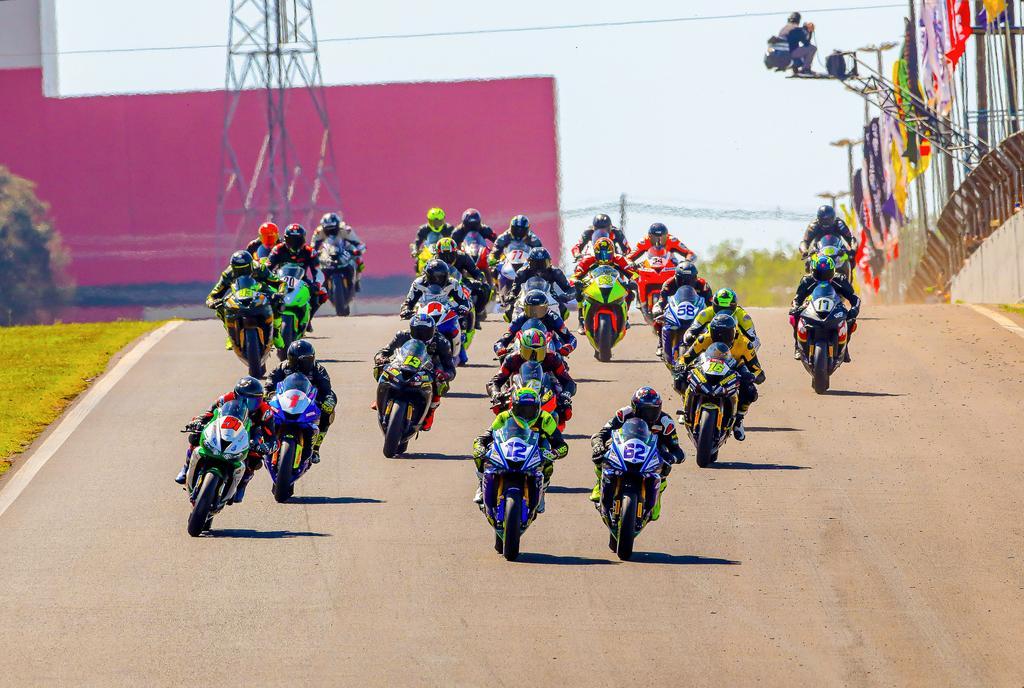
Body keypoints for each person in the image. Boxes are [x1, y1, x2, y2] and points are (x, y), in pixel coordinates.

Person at [589, 387, 686, 521]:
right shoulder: (623, 414)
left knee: (664, 470)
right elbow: (601, 434)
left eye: (653, 410)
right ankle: (599, 485)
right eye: (645, 410)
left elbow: (678, 451)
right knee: (601, 455)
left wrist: (671, 458)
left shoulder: (666, 422)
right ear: (634, 407)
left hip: (651, 456)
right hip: (625, 450)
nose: (649, 414)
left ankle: (655, 500)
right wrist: (598, 445)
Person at [175, 376, 276, 505]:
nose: (246, 405)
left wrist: (266, 447)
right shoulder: (225, 398)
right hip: (224, 427)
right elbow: (208, 413)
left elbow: (272, 438)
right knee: (195, 436)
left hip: (249, 434)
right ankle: (186, 467)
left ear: (260, 400)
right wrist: (197, 422)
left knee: (255, 459)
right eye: (243, 400)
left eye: (252, 402)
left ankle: (242, 484)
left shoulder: (265, 412)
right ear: (235, 395)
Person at [471, 387, 568, 511]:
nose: (526, 414)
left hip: (536, 448)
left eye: (530, 409)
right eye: (522, 409)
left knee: (548, 463)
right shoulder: (504, 416)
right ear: (513, 407)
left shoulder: (546, 418)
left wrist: (553, 453)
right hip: (508, 446)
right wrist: (480, 446)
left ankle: (542, 490)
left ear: (538, 408)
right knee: (480, 453)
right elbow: (485, 436)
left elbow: (562, 446)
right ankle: (481, 484)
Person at [675, 313, 764, 441]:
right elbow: (686, 357)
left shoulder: (745, 343)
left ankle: (738, 419)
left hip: (733, 369)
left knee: (750, 391)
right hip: (706, 365)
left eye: (726, 334)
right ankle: (686, 405)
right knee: (679, 378)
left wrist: (753, 376)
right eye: (717, 334)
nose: (721, 338)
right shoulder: (704, 339)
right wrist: (680, 365)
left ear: (734, 332)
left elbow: (757, 370)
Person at [373, 314, 456, 431]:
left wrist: (444, 375)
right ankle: (380, 396)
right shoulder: (402, 335)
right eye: (417, 331)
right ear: (411, 329)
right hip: (402, 363)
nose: (421, 335)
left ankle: (430, 412)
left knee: (441, 384)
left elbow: (450, 369)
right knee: (381, 367)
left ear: (433, 330)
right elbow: (384, 351)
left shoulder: (442, 342)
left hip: (429, 368)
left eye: (425, 332)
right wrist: (381, 358)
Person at [264, 339, 337, 464]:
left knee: (329, 408)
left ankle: (316, 448)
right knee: (262, 409)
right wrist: (267, 394)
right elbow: (270, 383)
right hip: (286, 402)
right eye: (297, 360)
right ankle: (264, 441)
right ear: (290, 358)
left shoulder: (318, 370)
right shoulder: (282, 367)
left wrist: (326, 399)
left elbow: (326, 389)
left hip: (308, 402)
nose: (302, 364)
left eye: (306, 360)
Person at [489, 328, 576, 423]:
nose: (533, 357)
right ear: (521, 348)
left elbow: (569, 382)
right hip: (518, 393)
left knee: (564, 411)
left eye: (539, 353)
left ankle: (556, 428)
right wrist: (495, 393)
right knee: (500, 410)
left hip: (545, 391)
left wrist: (565, 394)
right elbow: (494, 381)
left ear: (545, 349)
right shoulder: (512, 359)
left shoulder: (552, 357)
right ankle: (497, 430)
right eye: (528, 352)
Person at [206, 250, 284, 349]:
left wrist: (280, 293)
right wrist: (212, 302)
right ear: (233, 268)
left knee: (277, 301)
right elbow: (213, 295)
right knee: (221, 306)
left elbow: (279, 282)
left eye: (245, 269)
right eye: (239, 270)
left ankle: (276, 332)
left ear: (251, 265)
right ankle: (230, 334)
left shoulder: (260, 268)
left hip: (260, 291)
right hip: (237, 294)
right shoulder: (227, 274)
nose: (243, 272)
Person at [790, 255, 861, 361]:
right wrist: (796, 307)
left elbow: (854, 298)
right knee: (793, 316)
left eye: (827, 274)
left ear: (833, 271)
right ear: (812, 271)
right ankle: (797, 346)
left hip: (835, 305)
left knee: (851, 319)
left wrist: (854, 310)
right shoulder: (807, 280)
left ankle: (845, 347)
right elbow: (797, 298)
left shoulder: (840, 279)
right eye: (818, 273)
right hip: (812, 305)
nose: (823, 276)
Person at [572, 237, 638, 333]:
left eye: (607, 253)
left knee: (630, 292)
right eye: (600, 254)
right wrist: (576, 282)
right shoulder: (588, 259)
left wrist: (633, 281)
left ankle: (625, 317)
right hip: (593, 283)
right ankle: (581, 319)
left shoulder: (619, 259)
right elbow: (575, 276)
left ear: (613, 252)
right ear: (595, 252)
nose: (604, 257)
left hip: (615, 283)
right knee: (579, 290)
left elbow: (633, 274)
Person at [267, 223, 329, 320]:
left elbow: (317, 272)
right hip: (279, 281)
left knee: (322, 293)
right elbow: (267, 267)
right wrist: (265, 279)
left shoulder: (310, 251)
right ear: (285, 239)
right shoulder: (278, 249)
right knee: (264, 293)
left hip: (302, 281)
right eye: (291, 240)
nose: (294, 244)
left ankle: (308, 319)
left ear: (303, 240)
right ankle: (268, 320)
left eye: (298, 241)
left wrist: (317, 285)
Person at [494, 290, 577, 357]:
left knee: (560, 358)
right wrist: (500, 348)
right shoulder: (520, 318)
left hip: (549, 346)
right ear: (525, 308)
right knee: (505, 358)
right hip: (524, 346)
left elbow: (570, 338)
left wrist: (568, 347)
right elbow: (505, 337)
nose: (535, 313)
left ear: (546, 308)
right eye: (531, 310)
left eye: (539, 310)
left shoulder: (553, 317)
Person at [433, 236, 490, 327]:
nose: (447, 258)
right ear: (437, 253)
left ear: (455, 252)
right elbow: (425, 275)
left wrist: (480, 279)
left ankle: (477, 315)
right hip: (440, 284)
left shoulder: (463, 257)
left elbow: (475, 271)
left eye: (449, 254)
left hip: (461, 282)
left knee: (485, 288)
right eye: (443, 255)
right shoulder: (433, 261)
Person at [683, 288, 761, 350]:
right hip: (708, 347)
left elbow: (754, 339)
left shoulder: (742, 315)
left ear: (734, 305)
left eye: (727, 308)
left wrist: (747, 348)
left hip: (735, 349)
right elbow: (692, 329)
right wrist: (690, 337)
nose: (723, 311)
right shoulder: (706, 313)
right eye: (720, 307)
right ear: (714, 304)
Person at [398, 259, 473, 319]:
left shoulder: (453, 283)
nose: (437, 280)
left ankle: (464, 332)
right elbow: (409, 302)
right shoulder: (418, 283)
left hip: (446, 315)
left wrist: (463, 308)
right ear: (427, 276)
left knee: (465, 317)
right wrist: (405, 310)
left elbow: (463, 300)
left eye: (441, 277)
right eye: (434, 278)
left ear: (447, 276)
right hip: (424, 315)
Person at [504, 246, 573, 310]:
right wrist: (511, 296)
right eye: (536, 264)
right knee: (509, 311)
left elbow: (569, 289)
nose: (540, 267)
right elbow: (515, 289)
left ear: (549, 262)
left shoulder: (555, 272)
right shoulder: (522, 272)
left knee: (563, 310)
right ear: (529, 263)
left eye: (544, 263)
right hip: (526, 297)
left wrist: (566, 296)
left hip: (549, 297)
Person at [313, 212, 366, 291]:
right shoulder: (319, 232)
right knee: (315, 262)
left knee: (359, 259)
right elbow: (313, 247)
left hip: (345, 249)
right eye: (328, 229)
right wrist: (314, 254)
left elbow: (358, 243)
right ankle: (321, 284)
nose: (331, 231)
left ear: (338, 225)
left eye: (333, 229)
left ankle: (357, 280)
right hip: (327, 252)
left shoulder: (346, 229)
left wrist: (358, 250)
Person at [625, 222, 695, 263]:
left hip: (670, 267)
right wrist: (631, 264)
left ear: (667, 236)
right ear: (649, 236)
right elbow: (628, 258)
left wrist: (687, 261)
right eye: (655, 237)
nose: (658, 240)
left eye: (662, 237)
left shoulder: (672, 240)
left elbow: (690, 253)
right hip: (649, 267)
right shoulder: (644, 242)